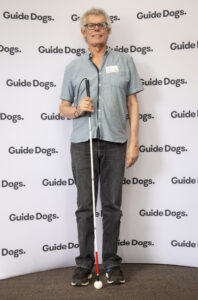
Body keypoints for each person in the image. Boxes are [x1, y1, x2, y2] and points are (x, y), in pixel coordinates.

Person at [59, 7, 143, 286]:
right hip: (83, 144)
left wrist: (134, 143)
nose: (97, 29)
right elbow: (63, 107)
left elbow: (132, 104)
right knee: (85, 207)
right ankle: (84, 264)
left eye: (102, 25)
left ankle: (110, 263)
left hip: (116, 143)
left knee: (112, 207)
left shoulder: (125, 60)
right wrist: (76, 109)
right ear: (83, 32)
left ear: (108, 30)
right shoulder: (73, 67)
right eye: (91, 26)